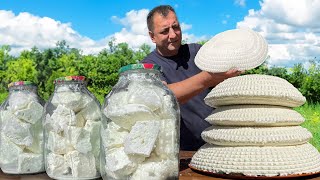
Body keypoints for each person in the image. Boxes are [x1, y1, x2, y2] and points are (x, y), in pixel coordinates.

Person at [141, 5, 241, 150]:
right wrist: (208, 78)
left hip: (218, 143)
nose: (173, 35)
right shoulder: (149, 66)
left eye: (176, 27)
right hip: (180, 152)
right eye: (164, 31)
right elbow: (163, 97)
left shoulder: (197, 51)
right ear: (152, 37)